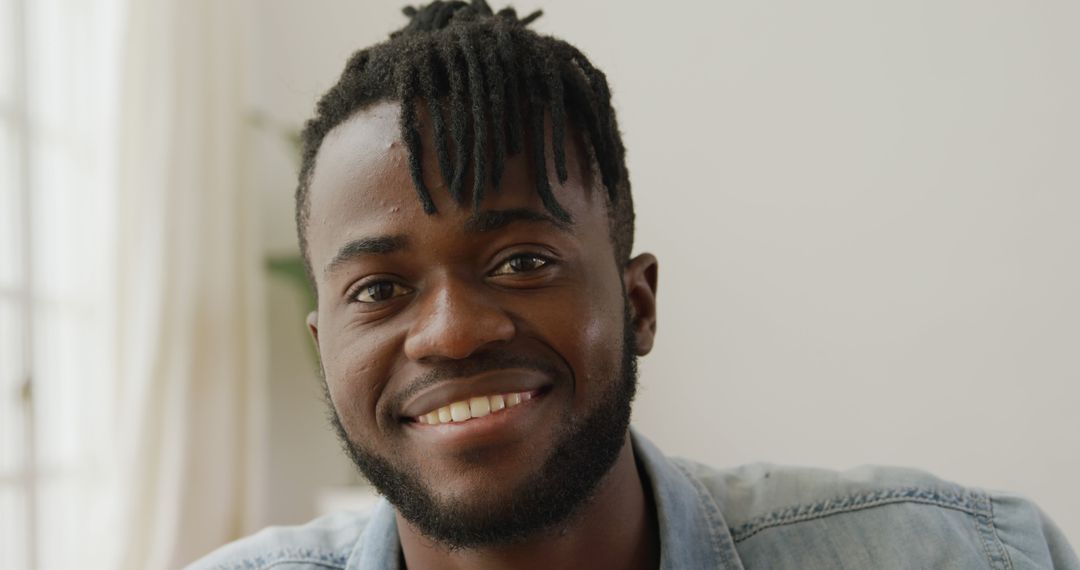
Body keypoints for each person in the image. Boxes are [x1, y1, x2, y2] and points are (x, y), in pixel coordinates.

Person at [192, 1, 1078, 568]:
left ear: (638, 302)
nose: (453, 333)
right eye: (380, 290)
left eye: (523, 263)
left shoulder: (965, 559)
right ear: (326, 350)